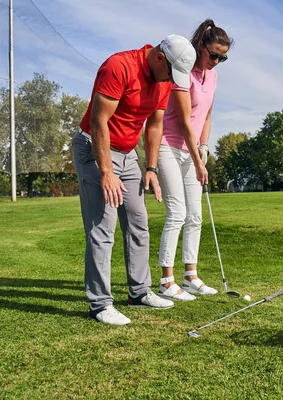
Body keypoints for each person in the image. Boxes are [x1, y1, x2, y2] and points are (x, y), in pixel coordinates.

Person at [72, 34, 197, 325]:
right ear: (158, 57)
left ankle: (139, 292)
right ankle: (100, 304)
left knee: (139, 223)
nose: (170, 79)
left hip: (128, 154)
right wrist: (106, 173)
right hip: (95, 147)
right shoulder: (119, 66)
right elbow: (98, 121)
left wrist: (150, 169)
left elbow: (154, 125)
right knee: (103, 227)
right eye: (170, 72)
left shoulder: (164, 80)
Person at [156, 19, 233, 301]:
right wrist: (200, 163)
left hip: (191, 149)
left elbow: (206, 118)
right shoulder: (183, 73)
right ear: (200, 46)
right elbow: (187, 122)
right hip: (169, 146)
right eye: (213, 54)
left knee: (195, 215)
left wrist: (203, 147)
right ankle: (166, 280)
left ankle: (190, 276)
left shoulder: (212, 77)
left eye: (222, 57)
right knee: (176, 212)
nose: (216, 61)